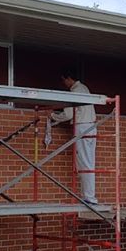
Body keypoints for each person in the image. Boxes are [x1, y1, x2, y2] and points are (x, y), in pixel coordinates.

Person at [50, 69, 98, 205]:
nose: (64, 83)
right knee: (89, 162)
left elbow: (69, 114)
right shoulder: (84, 88)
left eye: (63, 80)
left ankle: (90, 197)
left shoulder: (75, 91)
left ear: (68, 78)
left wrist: (53, 116)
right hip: (91, 126)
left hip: (82, 126)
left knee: (84, 162)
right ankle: (89, 196)